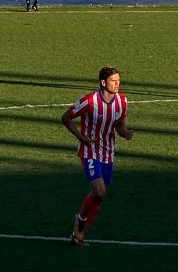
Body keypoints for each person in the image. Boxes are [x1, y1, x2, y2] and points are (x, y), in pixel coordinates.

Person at [62, 66, 133, 247]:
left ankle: (79, 232)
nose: (117, 84)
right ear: (103, 82)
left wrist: (124, 132)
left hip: (108, 153)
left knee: (100, 195)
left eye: (118, 81)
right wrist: (82, 138)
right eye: (113, 81)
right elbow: (66, 118)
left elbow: (119, 124)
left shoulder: (122, 101)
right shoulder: (89, 101)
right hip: (90, 151)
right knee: (99, 190)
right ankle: (79, 224)